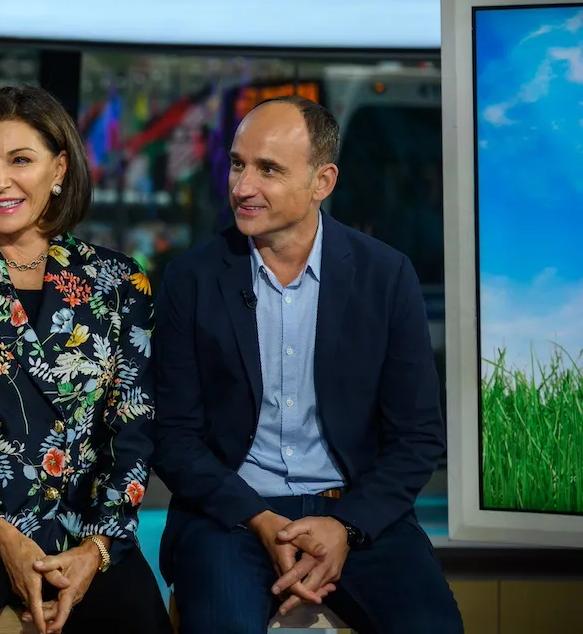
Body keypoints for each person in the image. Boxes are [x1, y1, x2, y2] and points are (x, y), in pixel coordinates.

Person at [152, 96, 463, 633]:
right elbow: (174, 438)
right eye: (237, 164)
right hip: (234, 516)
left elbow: (418, 438)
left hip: (359, 515)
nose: (242, 186)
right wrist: (260, 519)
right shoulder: (192, 279)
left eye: (268, 169)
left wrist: (345, 527)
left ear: (322, 181)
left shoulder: (386, 277)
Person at [0, 85, 171, 634]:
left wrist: (97, 546)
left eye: (20, 160)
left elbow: (133, 431)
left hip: (84, 532)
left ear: (59, 167)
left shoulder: (120, 282)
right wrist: (3, 536)